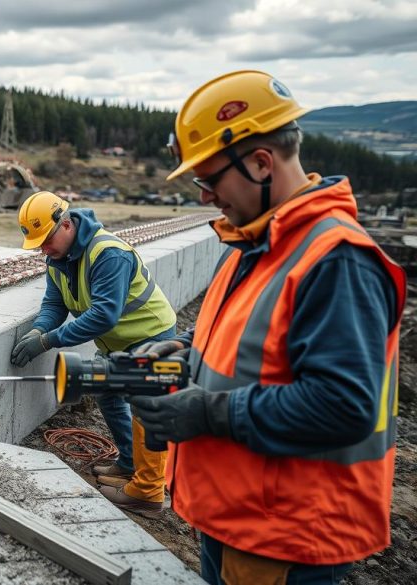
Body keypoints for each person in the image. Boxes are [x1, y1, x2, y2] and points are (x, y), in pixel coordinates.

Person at [128, 71, 405, 584]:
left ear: (260, 163)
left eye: (210, 179)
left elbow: (344, 405)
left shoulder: (335, 261)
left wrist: (207, 413)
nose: (206, 196)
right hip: (241, 515)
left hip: (287, 534)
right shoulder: (252, 246)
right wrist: (186, 350)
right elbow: (254, 348)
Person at [10, 191, 177, 516]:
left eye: (46, 239)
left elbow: (104, 314)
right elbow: (54, 304)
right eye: (38, 244)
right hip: (117, 342)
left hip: (151, 335)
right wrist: (38, 330)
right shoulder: (57, 259)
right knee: (105, 391)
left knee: (146, 405)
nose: (43, 248)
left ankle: (149, 492)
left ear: (67, 224)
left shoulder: (108, 253)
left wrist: (48, 342)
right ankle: (129, 464)